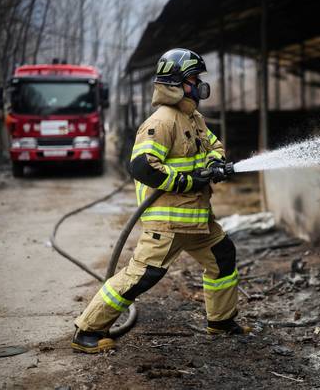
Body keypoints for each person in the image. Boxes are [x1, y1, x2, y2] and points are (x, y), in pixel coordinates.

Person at [71, 48, 250, 354]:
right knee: (142, 276)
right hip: (168, 221)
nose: (199, 85)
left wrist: (217, 162)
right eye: (194, 79)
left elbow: (213, 146)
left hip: (196, 218)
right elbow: (142, 166)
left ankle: (220, 322)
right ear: (176, 83)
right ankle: (88, 330)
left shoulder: (193, 118)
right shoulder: (162, 121)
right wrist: (188, 180)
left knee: (223, 257)